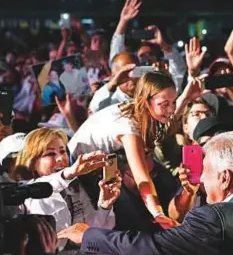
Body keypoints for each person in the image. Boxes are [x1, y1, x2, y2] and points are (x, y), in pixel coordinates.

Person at [59, 131, 233, 255]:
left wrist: (90, 235)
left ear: (225, 178)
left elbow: (148, 247)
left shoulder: (213, 218)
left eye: (205, 170)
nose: (202, 179)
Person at [68, 71, 194, 226]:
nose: (171, 109)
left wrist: (187, 97)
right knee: (130, 212)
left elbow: (169, 122)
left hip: (110, 159)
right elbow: (142, 178)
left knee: (165, 180)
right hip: (82, 166)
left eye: (173, 102)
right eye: (164, 104)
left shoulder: (143, 111)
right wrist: (158, 214)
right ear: (147, 101)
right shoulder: (129, 128)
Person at [12, 128, 120, 251]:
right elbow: (45, 185)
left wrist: (104, 206)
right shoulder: (25, 191)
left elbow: (93, 231)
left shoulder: (75, 187)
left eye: (63, 152)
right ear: (32, 162)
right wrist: (68, 174)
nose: (60, 158)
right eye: (50, 154)